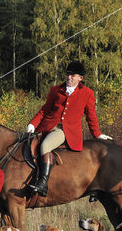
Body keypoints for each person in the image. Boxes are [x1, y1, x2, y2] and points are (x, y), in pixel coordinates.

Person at [26, 61, 111, 197]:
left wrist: (97, 134)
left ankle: (42, 184)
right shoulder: (55, 90)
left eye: (73, 75)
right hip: (46, 127)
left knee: (45, 146)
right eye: (67, 74)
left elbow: (91, 116)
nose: (69, 77)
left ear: (80, 78)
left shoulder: (87, 93)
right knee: (27, 145)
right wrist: (32, 124)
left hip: (65, 131)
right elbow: (44, 110)